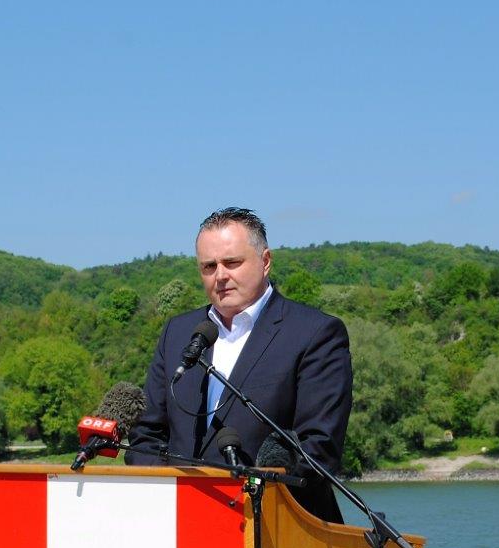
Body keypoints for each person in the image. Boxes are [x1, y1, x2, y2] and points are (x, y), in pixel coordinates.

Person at [125, 207, 352, 522]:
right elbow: (146, 435)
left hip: (276, 530)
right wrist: (171, 496)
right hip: (182, 525)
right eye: (208, 266)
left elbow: (318, 450)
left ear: (265, 261)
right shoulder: (178, 333)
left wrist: (247, 492)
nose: (220, 276)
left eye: (232, 262)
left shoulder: (314, 333)